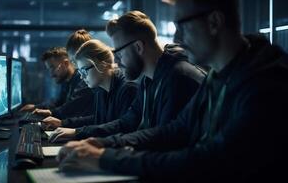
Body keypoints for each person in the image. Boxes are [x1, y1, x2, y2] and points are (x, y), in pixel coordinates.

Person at [57, 0, 288, 182]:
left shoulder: (265, 86)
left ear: (214, 22)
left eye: (183, 25)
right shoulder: (218, 77)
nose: (177, 38)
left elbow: (209, 161)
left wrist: (106, 158)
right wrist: (102, 145)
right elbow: (176, 129)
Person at [47, 10, 205, 142]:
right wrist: (90, 139)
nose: (117, 59)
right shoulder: (148, 80)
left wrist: (103, 151)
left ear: (138, 47)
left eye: (119, 52)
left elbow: (164, 142)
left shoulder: (178, 79)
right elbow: (127, 123)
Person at [42, 39, 138, 142]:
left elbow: (120, 128)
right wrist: (64, 124)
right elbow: (97, 120)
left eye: (84, 70)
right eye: (80, 72)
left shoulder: (128, 89)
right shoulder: (100, 90)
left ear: (101, 64)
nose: (82, 77)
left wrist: (76, 132)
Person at [20, 47, 94, 119]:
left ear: (66, 63)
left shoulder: (82, 81)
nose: (51, 74)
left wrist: (51, 113)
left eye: (52, 68)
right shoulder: (67, 81)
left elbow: (71, 107)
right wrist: (36, 107)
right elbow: (59, 102)